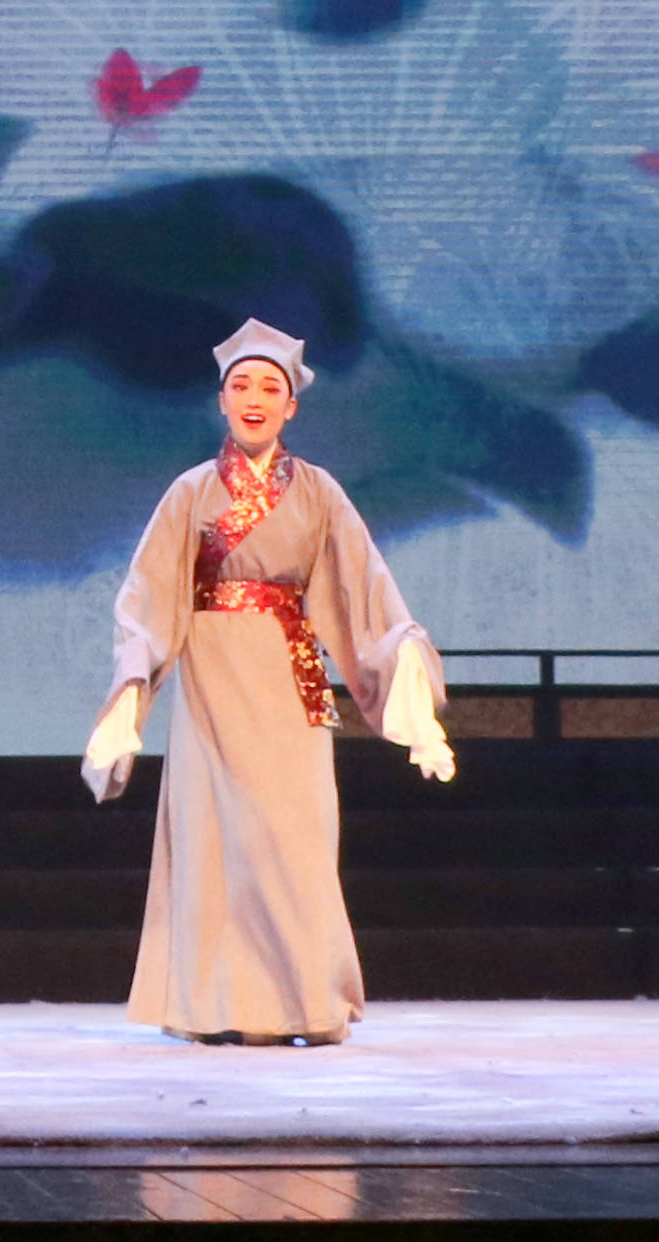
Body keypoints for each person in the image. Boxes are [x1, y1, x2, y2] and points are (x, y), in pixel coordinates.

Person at [77, 317, 453, 1043]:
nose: (254, 398)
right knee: (218, 840)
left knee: (294, 838)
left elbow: (364, 590)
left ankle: (304, 1001)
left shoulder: (317, 493)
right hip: (213, 679)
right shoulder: (191, 492)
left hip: (287, 675)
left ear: (292, 407)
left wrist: (409, 692)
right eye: (241, 385)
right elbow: (149, 599)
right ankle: (218, 1007)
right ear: (222, 400)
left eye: (270, 388)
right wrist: (131, 692)